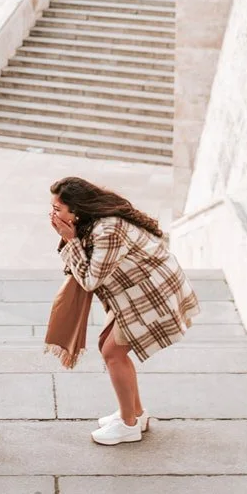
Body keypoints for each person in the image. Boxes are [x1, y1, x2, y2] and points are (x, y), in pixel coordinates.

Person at [48, 176, 198, 446]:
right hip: (135, 290)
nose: (53, 214)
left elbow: (91, 279)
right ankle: (136, 414)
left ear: (76, 211)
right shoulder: (93, 224)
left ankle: (129, 425)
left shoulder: (108, 231)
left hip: (152, 292)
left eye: (58, 209)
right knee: (108, 346)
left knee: (112, 352)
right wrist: (71, 238)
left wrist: (70, 240)